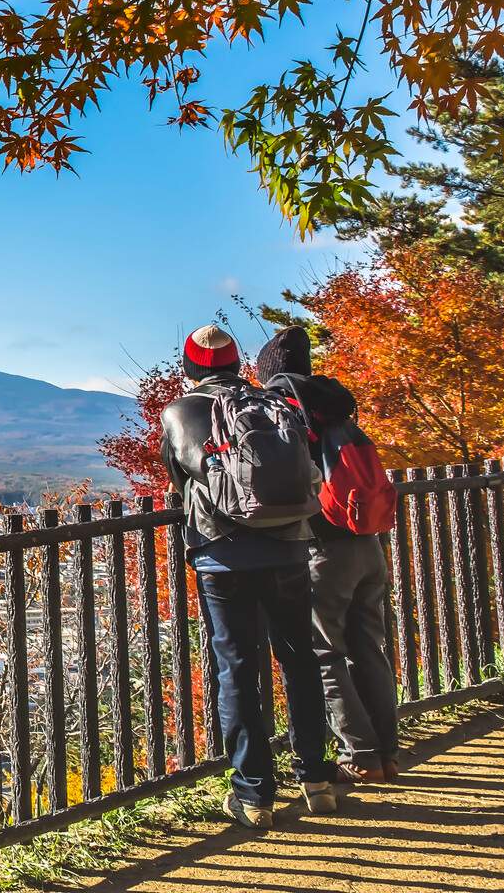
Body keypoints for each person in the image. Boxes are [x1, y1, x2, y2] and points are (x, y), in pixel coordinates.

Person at [161, 324, 337, 827]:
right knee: (299, 658)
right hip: (288, 547)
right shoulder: (276, 404)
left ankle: (254, 792)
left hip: (224, 557)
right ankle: (316, 778)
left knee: (236, 667)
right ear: (238, 364)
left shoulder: (182, 412)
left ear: (191, 367)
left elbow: (180, 476)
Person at [256, 325, 401, 784]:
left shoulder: (286, 409)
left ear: (270, 373)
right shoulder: (337, 404)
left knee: (325, 652)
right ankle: (388, 753)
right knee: (368, 647)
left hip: (324, 546)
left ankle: (359, 755)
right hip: (368, 542)